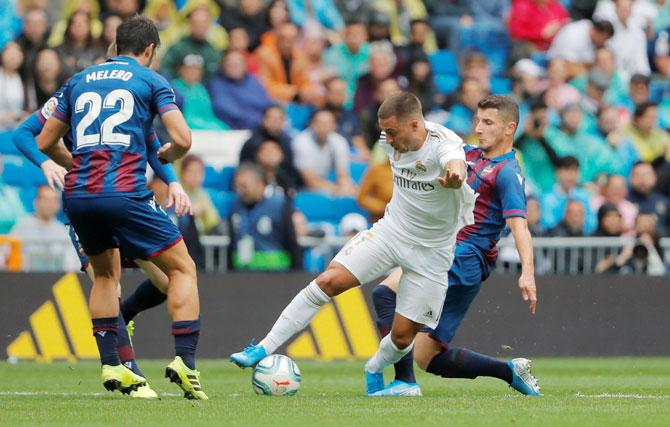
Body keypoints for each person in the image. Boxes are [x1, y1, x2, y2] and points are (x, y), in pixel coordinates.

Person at [230, 92, 478, 399]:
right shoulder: (389, 142)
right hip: (391, 232)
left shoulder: (445, 143)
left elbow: (455, 163)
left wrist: (455, 176)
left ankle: (374, 367)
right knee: (328, 280)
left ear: (415, 124)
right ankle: (262, 347)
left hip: (432, 252)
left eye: (392, 131)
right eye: (382, 131)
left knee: (402, 338)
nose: (385, 139)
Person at [36, 16, 207, 400]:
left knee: (104, 277)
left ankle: (111, 362)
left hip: (78, 196)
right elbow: (182, 137)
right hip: (126, 193)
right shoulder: (150, 80)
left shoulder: (78, 80)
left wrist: (77, 165)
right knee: (182, 269)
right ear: (149, 49)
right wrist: (173, 153)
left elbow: (45, 141)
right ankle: (185, 362)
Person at [12, 77, 188, 398]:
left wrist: (173, 182)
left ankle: (126, 314)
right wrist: (48, 163)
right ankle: (131, 376)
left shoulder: (136, 92)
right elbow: (23, 133)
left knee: (166, 281)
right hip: (87, 201)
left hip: (128, 200)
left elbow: (151, 146)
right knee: (109, 281)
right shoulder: (75, 91)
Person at [368, 94, 539, 397]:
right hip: (452, 256)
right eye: (478, 120)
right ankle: (510, 371)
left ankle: (404, 383)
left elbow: (519, 226)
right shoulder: (466, 154)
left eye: (488, 122)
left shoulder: (507, 173)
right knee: (427, 357)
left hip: (464, 255)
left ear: (509, 128)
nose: (479, 127)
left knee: (386, 293)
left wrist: (527, 271)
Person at [227, 163, 302, 271]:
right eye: (237, 186)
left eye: (244, 186)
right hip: (241, 275)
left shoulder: (279, 206)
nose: (240, 190)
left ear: (260, 184)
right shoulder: (235, 207)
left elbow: (292, 242)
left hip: (276, 275)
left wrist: (297, 274)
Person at [9, 185, 79, 271]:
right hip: (24, 279)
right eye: (46, 200)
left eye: (54, 201)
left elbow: (71, 264)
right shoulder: (21, 226)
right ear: (36, 202)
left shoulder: (63, 232)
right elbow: (7, 255)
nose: (49, 204)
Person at [291, 109, 356, 195]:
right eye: (320, 123)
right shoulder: (300, 142)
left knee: (355, 192)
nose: (324, 126)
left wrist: (346, 188)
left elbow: (343, 175)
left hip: (325, 183)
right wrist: (339, 191)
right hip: (300, 187)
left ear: (334, 126)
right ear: (311, 124)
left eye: (329, 123)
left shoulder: (339, 141)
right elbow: (310, 181)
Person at [207, 50, 272, 130]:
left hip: (262, 126)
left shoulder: (253, 81)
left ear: (245, 66)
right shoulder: (216, 84)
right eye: (230, 65)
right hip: (234, 129)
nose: (234, 68)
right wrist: (259, 120)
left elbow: (265, 103)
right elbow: (223, 108)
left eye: (237, 65)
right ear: (223, 66)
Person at [172, 53, 229, 131]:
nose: (193, 72)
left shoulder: (201, 89)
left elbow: (209, 116)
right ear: (181, 70)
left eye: (197, 69)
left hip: (207, 128)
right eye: (189, 68)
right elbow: (185, 119)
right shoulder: (174, 88)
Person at [546, 19, 614, 78]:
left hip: (578, 65)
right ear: (599, 34)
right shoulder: (574, 35)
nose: (604, 42)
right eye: (604, 39)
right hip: (556, 63)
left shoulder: (590, 28)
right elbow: (568, 64)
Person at [180, 154, 222, 236]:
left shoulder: (202, 194)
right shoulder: (177, 192)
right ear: (182, 173)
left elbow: (214, 221)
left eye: (198, 172)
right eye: (190, 171)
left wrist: (204, 211)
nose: (194, 175)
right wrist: (191, 211)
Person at [627, 161, 670, 235]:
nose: (642, 179)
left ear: (654, 176)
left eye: (646, 174)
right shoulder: (624, 202)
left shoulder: (665, 202)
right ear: (631, 178)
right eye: (638, 175)